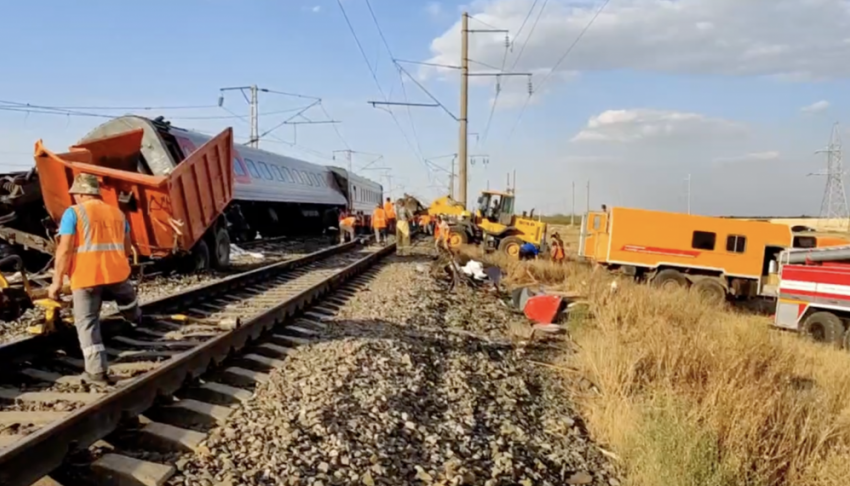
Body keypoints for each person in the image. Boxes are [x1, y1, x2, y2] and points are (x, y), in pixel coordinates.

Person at [48, 173, 141, 385]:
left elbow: (64, 251)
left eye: (76, 195)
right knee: (127, 297)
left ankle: (97, 372)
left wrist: (56, 282)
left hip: (86, 277)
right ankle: (134, 317)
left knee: (87, 322)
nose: (75, 199)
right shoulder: (118, 214)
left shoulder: (73, 214)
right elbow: (127, 248)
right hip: (117, 274)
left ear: (82, 193)